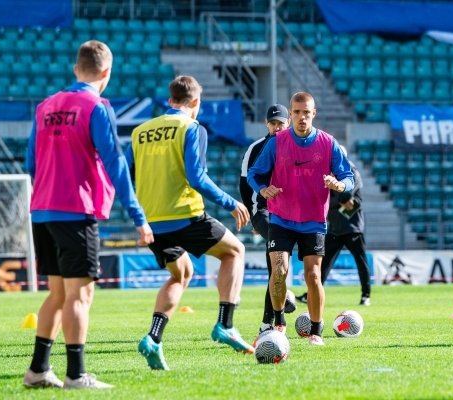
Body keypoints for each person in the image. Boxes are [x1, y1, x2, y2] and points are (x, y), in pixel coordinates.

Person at [23, 40, 154, 390]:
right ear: (106, 72)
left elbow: (29, 164)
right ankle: (76, 375)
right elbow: (116, 165)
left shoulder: (45, 106)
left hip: (42, 211)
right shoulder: (96, 107)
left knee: (57, 294)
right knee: (80, 296)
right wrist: (138, 216)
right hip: (75, 211)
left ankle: (37, 371)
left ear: (75, 68)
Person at [128, 75, 254, 371]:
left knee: (180, 274)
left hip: (152, 221)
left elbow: (128, 175)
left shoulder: (140, 132)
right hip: (184, 214)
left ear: (170, 100)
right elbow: (197, 178)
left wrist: (138, 216)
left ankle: (153, 339)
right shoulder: (192, 127)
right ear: (196, 102)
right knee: (234, 251)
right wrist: (231, 202)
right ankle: (226, 324)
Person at [247, 92, 354, 346]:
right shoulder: (276, 142)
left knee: (313, 275)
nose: (301, 117)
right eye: (296, 112)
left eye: (306, 112)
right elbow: (255, 174)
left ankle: (316, 331)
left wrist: (339, 185)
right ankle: (279, 322)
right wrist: (263, 189)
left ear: (313, 113)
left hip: (314, 219)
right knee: (280, 270)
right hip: (281, 217)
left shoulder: (328, 143)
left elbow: (348, 178)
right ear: (291, 114)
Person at [239, 104, 296, 338]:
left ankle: (268, 321)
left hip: (286, 212)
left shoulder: (297, 147)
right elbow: (245, 183)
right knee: (278, 259)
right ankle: (279, 309)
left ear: (288, 123)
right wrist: (253, 214)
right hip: (262, 211)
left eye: (280, 123)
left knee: (276, 266)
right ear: (266, 124)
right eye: (273, 123)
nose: (276, 127)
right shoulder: (255, 148)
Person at [296, 145, 371, 306]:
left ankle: (366, 295)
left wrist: (333, 198)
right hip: (335, 227)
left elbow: (346, 196)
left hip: (353, 227)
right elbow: (325, 199)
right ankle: (311, 294)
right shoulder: (328, 174)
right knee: (323, 263)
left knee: (361, 262)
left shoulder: (352, 172)